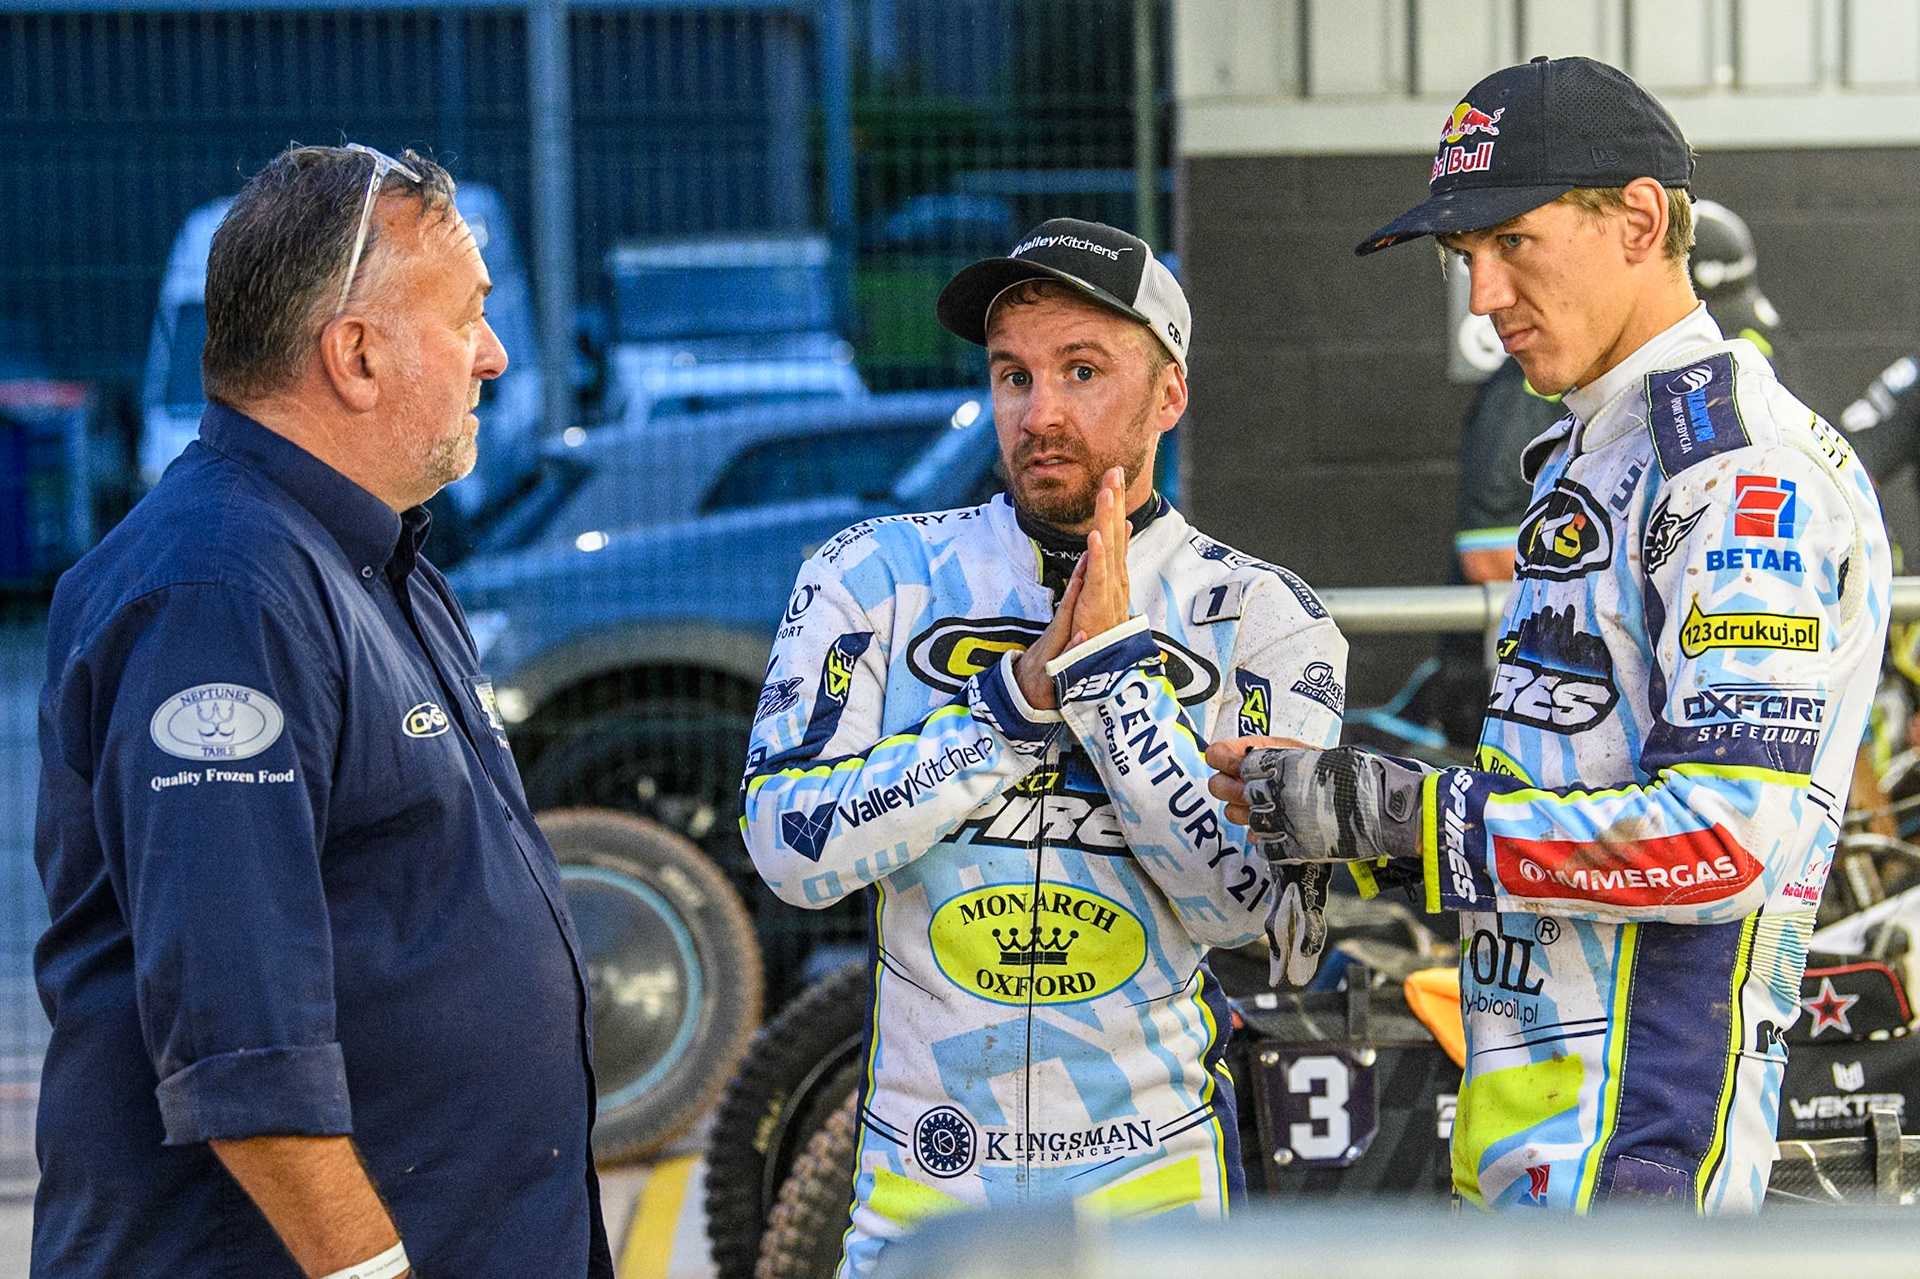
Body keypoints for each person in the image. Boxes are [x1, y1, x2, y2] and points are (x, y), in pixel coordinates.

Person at [1208, 56, 1890, 1212]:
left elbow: (1727, 839)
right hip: (1543, 1131)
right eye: (1462, 258)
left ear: (1636, 218)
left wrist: (1409, 815)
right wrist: (1352, 815)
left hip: (1640, 1151)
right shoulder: (1601, 448)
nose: (1481, 296)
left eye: (1511, 242)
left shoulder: (1734, 472)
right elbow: (1574, 783)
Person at [33, 145, 612, 1277]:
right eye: (469, 320)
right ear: (355, 353)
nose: (493, 357)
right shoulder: (222, 594)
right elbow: (242, 1042)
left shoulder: (366, 558)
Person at [740, 218, 1345, 1273]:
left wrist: (1111, 682)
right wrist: (1011, 710)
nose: (1040, 412)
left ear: (1169, 395)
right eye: (1013, 375)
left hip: (1153, 1196)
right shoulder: (873, 577)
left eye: (1081, 370)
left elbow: (1242, 908)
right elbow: (789, 849)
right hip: (923, 1194)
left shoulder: (1263, 616)